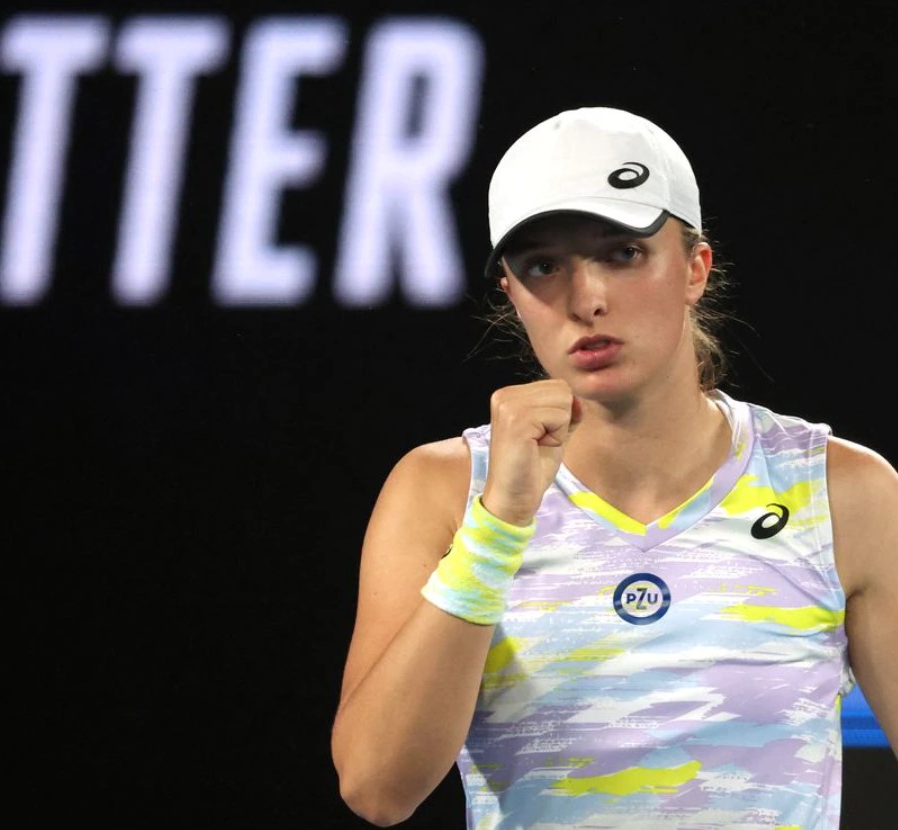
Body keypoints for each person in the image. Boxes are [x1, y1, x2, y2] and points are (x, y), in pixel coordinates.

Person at [330, 106, 898, 829]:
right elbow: (378, 788)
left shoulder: (842, 491)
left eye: (623, 253)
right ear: (512, 295)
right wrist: (498, 526)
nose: (585, 299)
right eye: (543, 265)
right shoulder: (442, 490)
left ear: (695, 268)